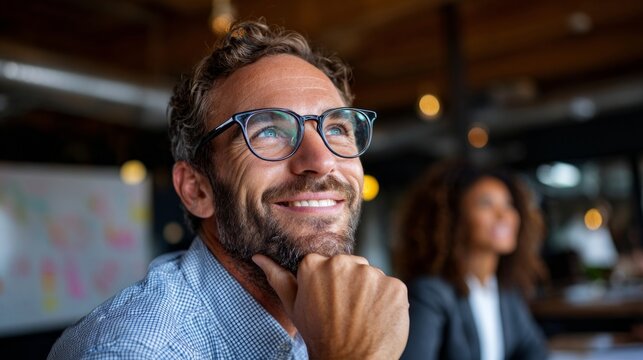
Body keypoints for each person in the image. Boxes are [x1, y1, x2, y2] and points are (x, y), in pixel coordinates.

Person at [49, 20, 409, 359]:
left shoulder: (322, 318)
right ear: (196, 190)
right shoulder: (137, 349)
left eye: (336, 129)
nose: (322, 160)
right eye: (268, 131)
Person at [395, 160, 547, 360]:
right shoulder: (430, 293)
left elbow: (535, 350)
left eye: (508, 204)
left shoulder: (505, 291)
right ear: (454, 218)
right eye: (486, 203)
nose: (504, 215)